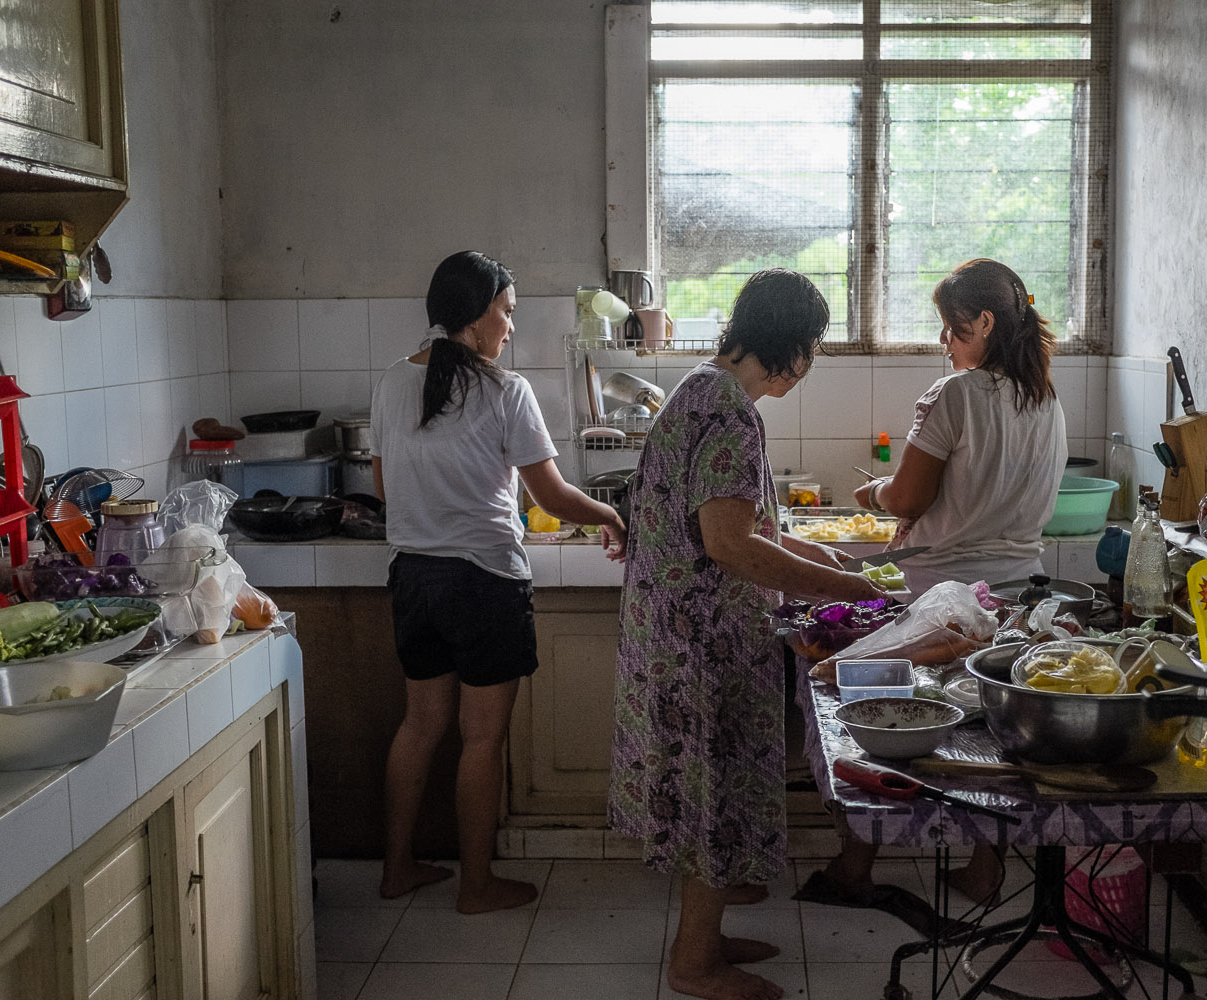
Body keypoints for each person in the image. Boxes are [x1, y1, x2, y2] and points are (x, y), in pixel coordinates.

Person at [610, 269, 885, 1000]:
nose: (812, 361)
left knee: (712, 792)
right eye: (814, 346)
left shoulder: (701, 388)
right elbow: (729, 544)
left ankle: (707, 938)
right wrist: (848, 587)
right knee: (713, 792)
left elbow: (747, 527)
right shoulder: (730, 415)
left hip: (677, 636)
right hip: (703, 646)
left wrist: (825, 559)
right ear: (792, 348)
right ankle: (695, 965)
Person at [371, 251, 627, 914]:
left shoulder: (390, 382)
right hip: (482, 580)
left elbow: (382, 485)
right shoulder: (504, 391)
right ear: (477, 314)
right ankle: (476, 885)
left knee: (420, 724)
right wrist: (612, 515)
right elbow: (554, 493)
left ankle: (397, 869)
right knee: (481, 737)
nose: (510, 328)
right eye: (506, 313)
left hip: (413, 578)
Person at [827, 257, 1067, 904]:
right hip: (1019, 593)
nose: (944, 341)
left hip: (938, 598)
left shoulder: (955, 395)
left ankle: (854, 865)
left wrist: (874, 491)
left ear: (984, 321)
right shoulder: (1044, 400)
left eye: (952, 328)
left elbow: (907, 499)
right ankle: (985, 871)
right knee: (992, 735)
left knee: (887, 722)